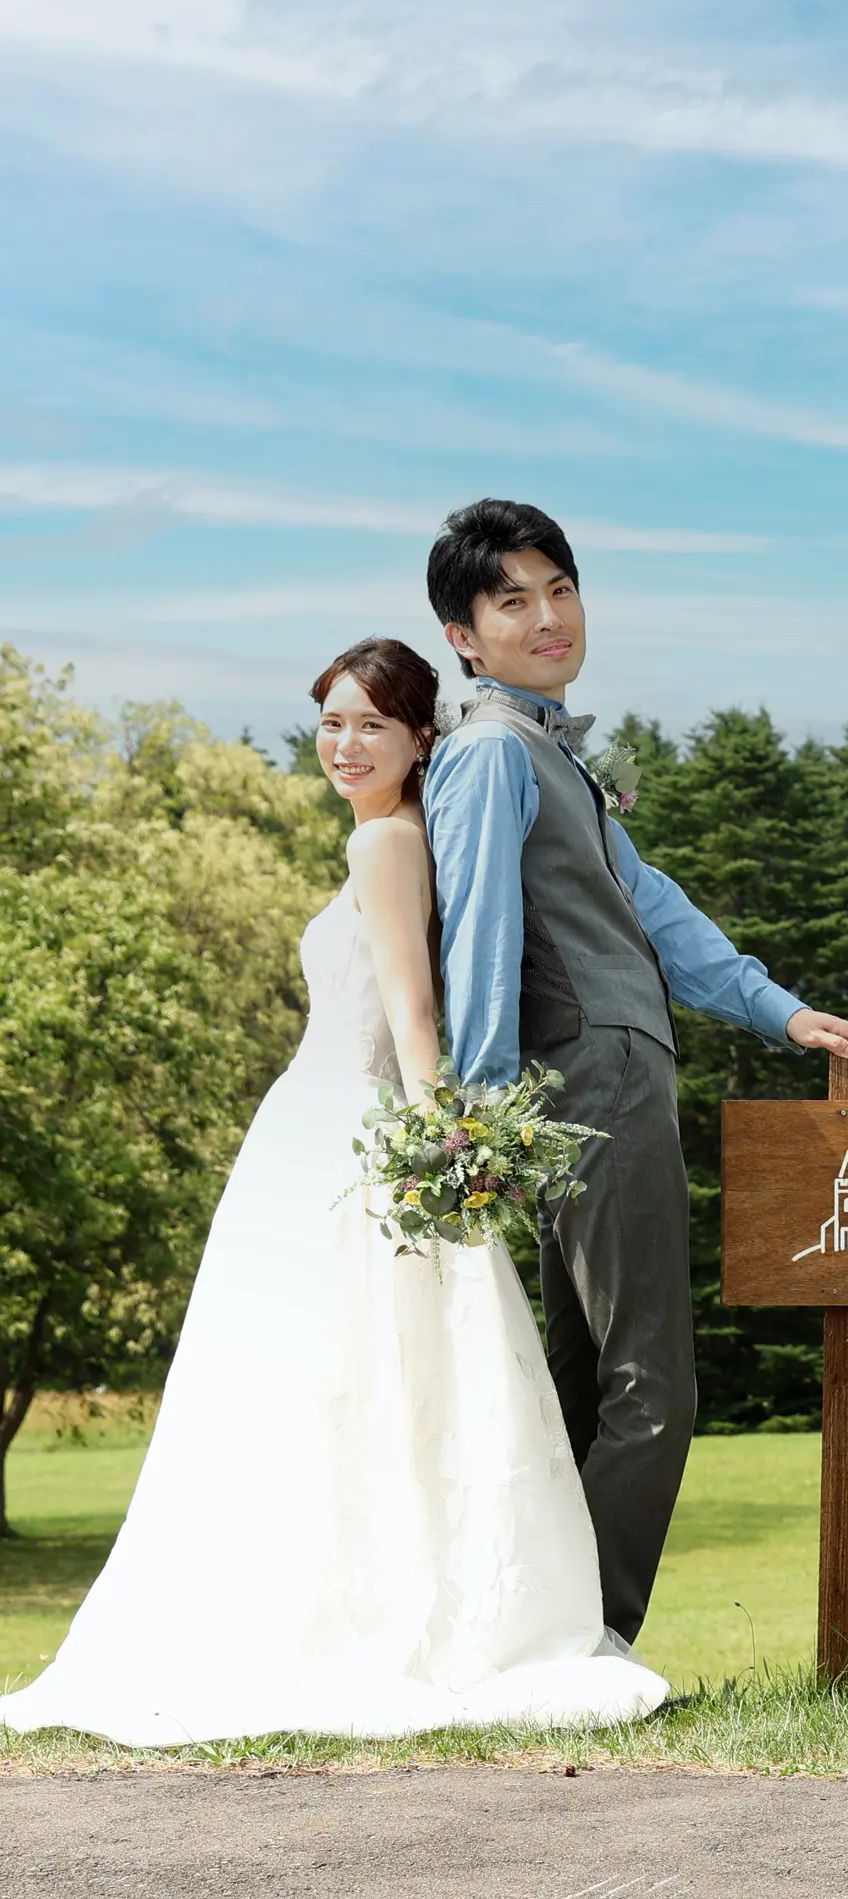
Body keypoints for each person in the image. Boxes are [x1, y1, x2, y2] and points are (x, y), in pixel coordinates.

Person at [0, 640, 667, 1747]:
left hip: (355, 1132)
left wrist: (448, 1138)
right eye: (329, 725)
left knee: (350, 1378)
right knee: (329, 1385)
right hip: (316, 1131)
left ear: (419, 738)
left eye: (371, 725)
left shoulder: (390, 848)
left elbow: (413, 1016)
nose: (345, 746)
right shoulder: (383, 840)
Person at [423, 499, 848, 1649]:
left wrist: (779, 1011)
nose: (548, 616)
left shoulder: (544, 750)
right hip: (589, 1079)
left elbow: (654, 903)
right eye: (512, 599)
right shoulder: (489, 751)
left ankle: (542, 1636)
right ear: (462, 635)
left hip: (596, 1080)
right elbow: (477, 934)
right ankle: (589, 1639)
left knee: (583, 1386)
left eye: (560, 588)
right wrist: (475, 1108)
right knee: (651, 1385)